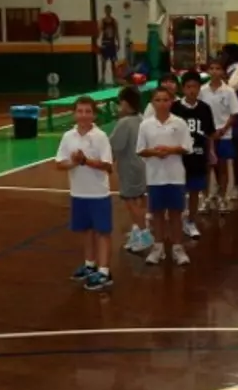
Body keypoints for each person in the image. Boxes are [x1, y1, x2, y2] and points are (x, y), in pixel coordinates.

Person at [55, 97, 115, 291]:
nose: (83, 115)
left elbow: (107, 166)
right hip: (78, 193)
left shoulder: (101, 136)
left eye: (87, 111)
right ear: (74, 114)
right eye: (80, 111)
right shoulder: (68, 137)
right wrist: (74, 162)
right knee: (86, 231)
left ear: (94, 114)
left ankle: (104, 271)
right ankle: (90, 265)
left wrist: (85, 161)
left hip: (98, 194)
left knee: (102, 232)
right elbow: (59, 163)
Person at [137, 87, 194, 266]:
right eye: (158, 100)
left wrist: (170, 150)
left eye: (165, 100)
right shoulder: (145, 125)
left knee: (176, 214)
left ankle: (178, 248)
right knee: (158, 214)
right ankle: (158, 247)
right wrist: (154, 152)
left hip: (175, 177)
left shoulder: (180, 123)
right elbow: (140, 150)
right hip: (155, 177)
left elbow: (187, 147)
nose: (162, 103)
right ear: (152, 103)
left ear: (171, 102)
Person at [172, 71, 216, 240]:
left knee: (195, 190)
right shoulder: (175, 108)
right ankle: (179, 219)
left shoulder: (205, 108)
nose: (192, 90)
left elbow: (210, 134)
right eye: (188, 87)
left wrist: (211, 152)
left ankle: (191, 221)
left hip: (198, 155)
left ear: (199, 88)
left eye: (195, 87)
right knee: (179, 190)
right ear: (183, 88)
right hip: (178, 157)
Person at [109, 85, 152, 253]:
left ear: (126, 104)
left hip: (130, 167)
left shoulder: (124, 123)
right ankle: (138, 231)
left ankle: (144, 234)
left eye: (120, 104)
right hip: (142, 166)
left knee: (130, 202)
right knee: (138, 200)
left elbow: (115, 145)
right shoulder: (141, 119)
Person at [199, 58, 238, 213]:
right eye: (212, 68)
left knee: (222, 168)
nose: (215, 71)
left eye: (218, 68)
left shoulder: (229, 91)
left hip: (223, 135)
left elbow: (234, 114)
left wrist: (223, 130)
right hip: (206, 135)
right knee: (206, 168)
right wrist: (208, 131)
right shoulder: (202, 91)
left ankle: (222, 198)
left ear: (223, 71)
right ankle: (204, 198)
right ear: (208, 71)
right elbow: (199, 112)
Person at [220, 44, 238, 198]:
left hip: (236, 112)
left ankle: (237, 183)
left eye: (223, 54)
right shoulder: (224, 70)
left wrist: (221, 81)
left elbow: (230, 87)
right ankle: (221, 186)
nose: (221, 57)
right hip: (221, 113)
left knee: (237, 148)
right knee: (220, 150)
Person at [97, 5, 119, 87]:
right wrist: (97, 43)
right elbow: (99, 32)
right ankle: (102, 77)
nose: (108, 11)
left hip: (112, 43)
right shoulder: (102, 21)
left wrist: (118, 43)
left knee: (113, 62)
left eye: (109, 9)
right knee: (103, 62)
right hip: (105, 44)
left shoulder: (114, 21)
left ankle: (114, 78)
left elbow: (116, 32)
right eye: (106, 10)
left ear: (111, 11)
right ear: (105, 11)